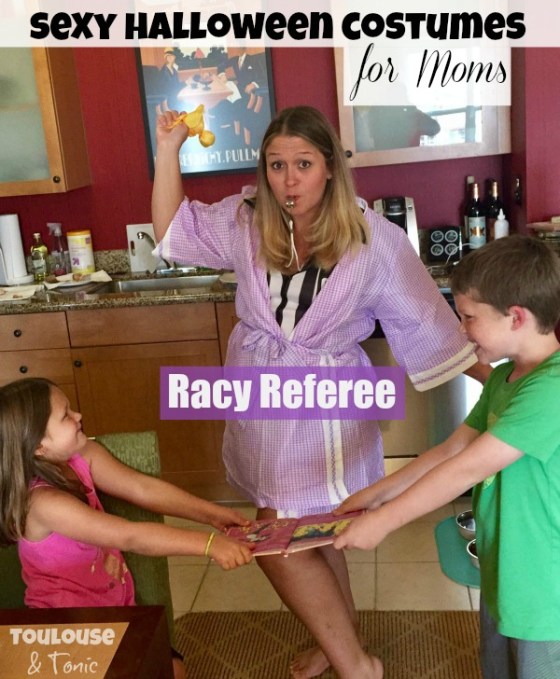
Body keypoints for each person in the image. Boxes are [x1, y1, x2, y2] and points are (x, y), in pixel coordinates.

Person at [151, 104, 490, 679]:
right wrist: (168, 148)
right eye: (276, 165)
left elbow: (425, 320)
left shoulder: (371, 238)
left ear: (330, 166)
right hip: (260, 395)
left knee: (277, 533)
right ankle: (339, 643)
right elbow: (172, 231)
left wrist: (507, 380)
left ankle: (355, 663)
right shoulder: (246, 219)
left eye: (303, 164)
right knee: (317, 533)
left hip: (327, 403)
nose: (289, 180)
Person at [334, 235, 560, 679]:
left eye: (469, 317)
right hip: (507, 570)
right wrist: (373, 496)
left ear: (516, 317)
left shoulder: (551, 390)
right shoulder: (505, 379)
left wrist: (384, 521)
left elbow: (467, 468)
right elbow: (451, 449)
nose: (461, 329)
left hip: (546, 589)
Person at [0, 377, 254, 679]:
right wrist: (209, 545)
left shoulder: (82, 456)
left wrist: (213, 514)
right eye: (65, 415)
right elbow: (129, 535)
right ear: (38, 446)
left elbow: (141, 488)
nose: (78, 416)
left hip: (115, 611)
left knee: (173, 669)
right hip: (65, 630)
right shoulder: (44, 504)